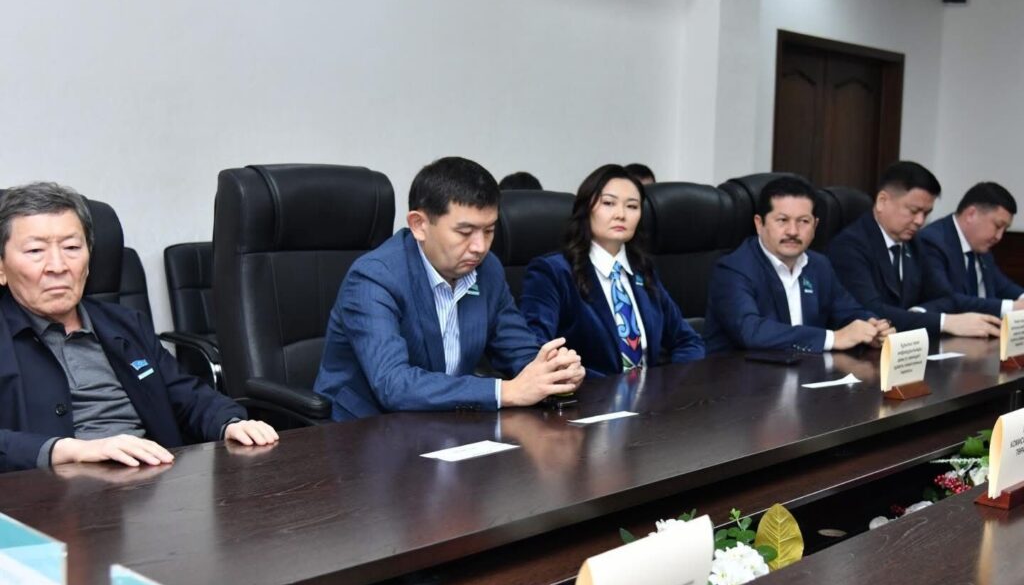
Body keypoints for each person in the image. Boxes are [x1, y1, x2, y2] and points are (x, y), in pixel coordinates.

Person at [0, 182, 277, 473]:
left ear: (89, 260)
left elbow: (186, 394)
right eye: (35, 250)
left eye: (71, 248)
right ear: (2, 268)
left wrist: (230, 423)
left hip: (153, 479)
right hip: (51, 491)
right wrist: (70, 450)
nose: (57, 266)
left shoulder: (126, 324)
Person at [314, 156, 585, 420]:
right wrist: (506, 392)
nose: (480, 247)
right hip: (362, 428)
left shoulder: (487, 269)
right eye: (465, 232)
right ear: (419, 225)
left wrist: (552, 372)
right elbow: (393, 385)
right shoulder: (375, 277)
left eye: (489, 231)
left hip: (443, 422)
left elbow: (518, 350)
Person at [519, 164, 703, 376]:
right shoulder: (553, 272)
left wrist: (669, 385)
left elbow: (688, 341)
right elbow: (538, 352)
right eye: (608, 203)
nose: (621, 214)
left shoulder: (642, 269)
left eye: (632, 206)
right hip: (587, 393)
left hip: (651, 394)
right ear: (586, 208)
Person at [703, 176, 892, 354]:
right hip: (739, 374)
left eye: (803, 221)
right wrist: (834, 338)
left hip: (804, 370)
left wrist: (873, 327)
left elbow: (847, 310)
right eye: (782, 220)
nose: (793, 231)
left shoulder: (819, 265)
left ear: (815, 226)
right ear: (759, 224)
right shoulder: (733, 269)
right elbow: (751, 331)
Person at [828, 162, 1001, 339]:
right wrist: (944, 322)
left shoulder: (914, 243)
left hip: (908, 347)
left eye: (926, 213)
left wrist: (919, 312)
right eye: (914, 211)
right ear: (882, 201)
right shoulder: (849, 246)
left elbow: (945, 297)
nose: (920, 221)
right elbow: (872, 312)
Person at [919, 182, 1024, 317]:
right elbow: (946, 298)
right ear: (971, 214)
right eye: (998, 226)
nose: (999, 237)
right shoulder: (932, 241)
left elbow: (1003, 286)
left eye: (1005, 230)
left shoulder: (981, 246)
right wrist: (1011, 307)